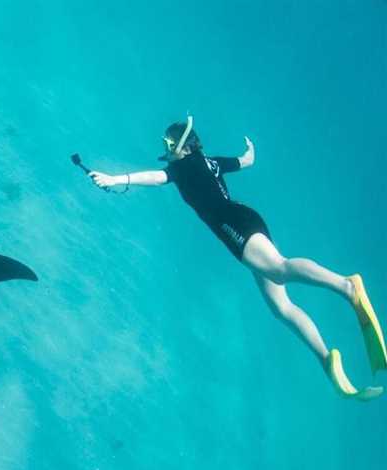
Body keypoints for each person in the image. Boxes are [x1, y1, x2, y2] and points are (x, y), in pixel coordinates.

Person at [85, 116, 386, 399]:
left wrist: (115, 178)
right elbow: (246, 161)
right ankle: (326, 361)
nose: (165, 149)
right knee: (280, 307)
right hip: (244, 219)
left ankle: (347, 287)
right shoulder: (211, 162)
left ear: (185, 144)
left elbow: (154, 177)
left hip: (233, 223)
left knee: (278, 269)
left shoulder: (183, 166)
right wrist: (249, 151)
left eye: (168, 143)